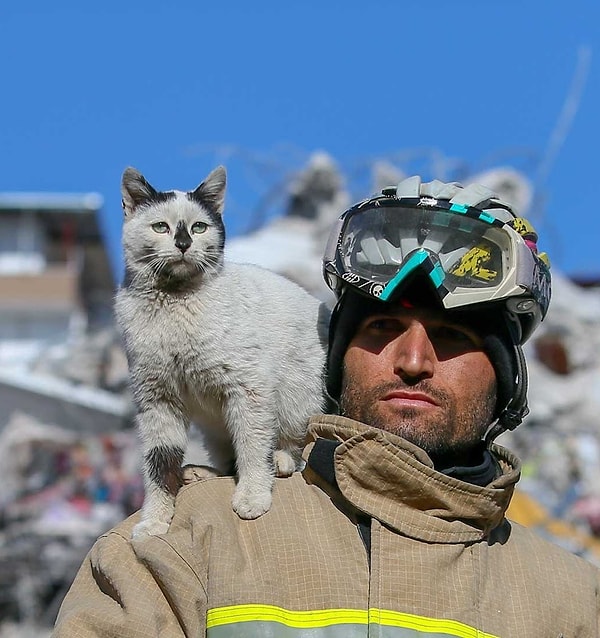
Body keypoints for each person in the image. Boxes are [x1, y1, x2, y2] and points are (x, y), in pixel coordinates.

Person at [52, 176, 599, 637]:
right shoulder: (182, 548)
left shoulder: (572, 603)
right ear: (335, 353)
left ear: (508, 377)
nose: (412, 360)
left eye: (453, 335)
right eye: (383, 327)